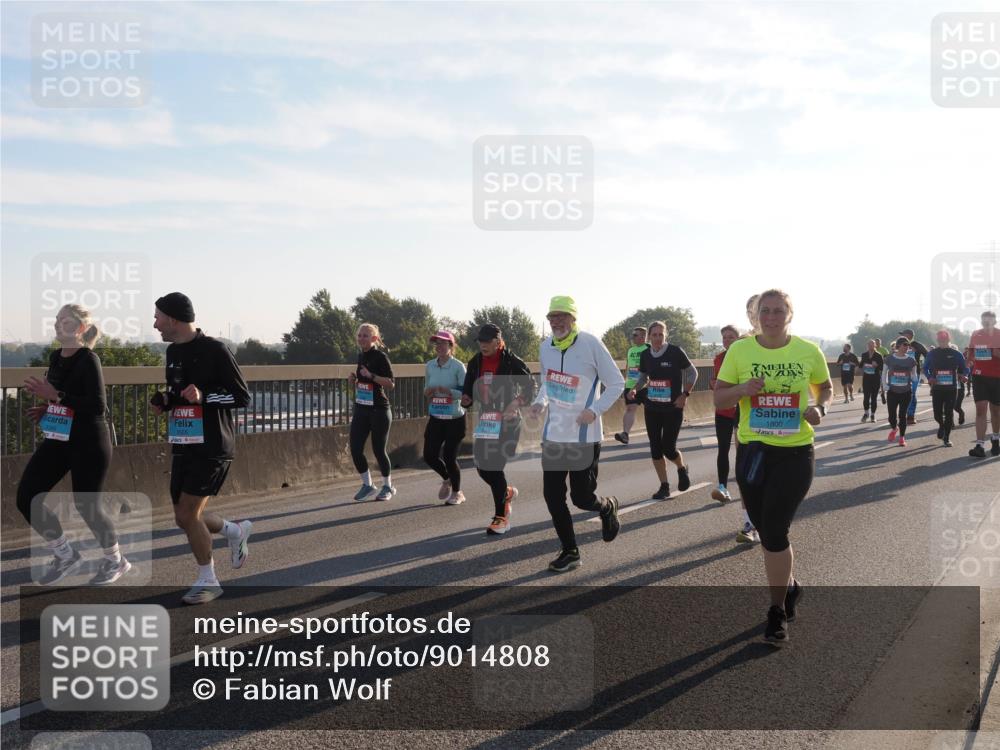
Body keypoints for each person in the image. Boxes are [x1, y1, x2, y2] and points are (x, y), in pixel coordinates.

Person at [715, 289, 832, 645]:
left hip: (795, 452)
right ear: (755, 316)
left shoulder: (808, 351)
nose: (771, 317)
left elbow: (824, 387)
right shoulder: (740, 351)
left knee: (776, 530)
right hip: (753, 450)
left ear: (789, 314)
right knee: (765, 530)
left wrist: (820, 407)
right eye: (764, 311)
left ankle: (777, 610)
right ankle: (791, 586)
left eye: (778, 311)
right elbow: (719, 396)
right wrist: (743, 390)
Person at [17, 305, 128, 586]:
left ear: (79, 328)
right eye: (56, 319)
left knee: (86, 504)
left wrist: (56, 394)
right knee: (27, 496)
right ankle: (66, 555)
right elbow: (63, 399)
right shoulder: (56, 357)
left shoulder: (89, 359)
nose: (57, 324)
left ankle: (115, 560)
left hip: (89, 441)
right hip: (59, 438)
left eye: (64, 320)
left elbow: (96, 405)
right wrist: (47, 406)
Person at [151, 293, 252, 605]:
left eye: (158, 317)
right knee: (184, 517)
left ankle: (209, 580)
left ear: (174, 319)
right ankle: (234, 532)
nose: (155, 324)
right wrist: (167, 400)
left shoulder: (215, 349)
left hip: (212, 445)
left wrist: (204, 397)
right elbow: (180, 393)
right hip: (184, 442)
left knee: (187, 512)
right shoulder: (172, 352)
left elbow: (242, 397)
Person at [530, 296, 623, 573]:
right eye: (551, 317)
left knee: (582, 498)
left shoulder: (590, 343)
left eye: (561, 316)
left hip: (584, 435)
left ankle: (607, 507)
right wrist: (539, 402)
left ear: (573, 318)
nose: (556, 321)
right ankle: (570, 551)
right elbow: (549, 383)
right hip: (555, 434)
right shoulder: (545, 346)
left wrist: (594, 410)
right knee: (553, 496)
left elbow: (616, 383)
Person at [460, 323, 533, 534]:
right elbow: (468, 390)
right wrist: (466, 399)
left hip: (509, 422)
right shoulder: (476, 362)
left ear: (498, 341)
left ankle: (501, 518)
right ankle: (506, 492)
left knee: (494, 466)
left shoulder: (510, 360)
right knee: (482, 467)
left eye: (487, 341)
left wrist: (516, 402)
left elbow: (530, 385)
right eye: (480, 341)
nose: (483, 345)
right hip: (487, 421)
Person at [628, 321, 698, 500]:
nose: (658, 338)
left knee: (668, 448)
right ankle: (664, 486)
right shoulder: (645, 354)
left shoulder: (675, 352)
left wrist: (685, 394)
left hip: (673, 407)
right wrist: (636, 388)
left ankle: (681, 468)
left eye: (661, 334)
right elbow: (644, 376)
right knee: (655, 448)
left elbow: (693, 373)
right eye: (654, 335)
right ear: (649, 337)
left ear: (665, 335)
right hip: (652, 406)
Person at [348, 323, 396, 501]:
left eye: (365, 336)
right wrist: (353, 380)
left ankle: (388, 486)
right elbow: (363, 384)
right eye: (359, 335)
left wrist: (372, 376)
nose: (361, 338)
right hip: (362, 407)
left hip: (379, 410)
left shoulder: (380, 357)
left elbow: (391, 384)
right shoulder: (361, 356)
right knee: (355, 448)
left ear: (374, 338)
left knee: (378, 450)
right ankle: (368, 485)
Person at [422, 330, 467, 504]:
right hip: (436, 416)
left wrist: (450, 392)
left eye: (443, 343)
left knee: (449, 457)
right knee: (429, 455)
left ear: (451, 346)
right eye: (437, 343)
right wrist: (429, 392)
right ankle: (448, 478)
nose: (439, 346)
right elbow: (426, 389)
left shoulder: (458, 366)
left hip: (455, 419)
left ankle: (457, 492)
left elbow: (465, 393)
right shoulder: (430, 365)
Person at [924, 330, 969, 448]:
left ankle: (947, 438)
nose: (942, 341)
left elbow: (965, 368)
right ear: (937, 340)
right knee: (937, 414)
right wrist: (929, 377)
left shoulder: (956, 353)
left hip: (951, 389)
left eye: (944, 339)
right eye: (940, 340)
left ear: (948, 340)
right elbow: (925, 368)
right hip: (937, 388)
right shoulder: (932, 353)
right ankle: (941, 426)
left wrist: (964, 375)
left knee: (949, 413)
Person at [965, 310, 1000, 458]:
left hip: (997, 377)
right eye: (984, 320)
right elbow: (971, 353)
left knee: (996, 411)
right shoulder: (976, 334)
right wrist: (969, 358)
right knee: (980, 410)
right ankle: (979, 445)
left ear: (994, 322)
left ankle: (996, 438)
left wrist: (995, 352)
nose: (986, 323)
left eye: (989, 321)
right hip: (979, 376)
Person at [710, 326, 739, 503]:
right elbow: (717, 381)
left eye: (731, 337)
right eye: (725, 338)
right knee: (723, 449)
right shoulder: (719, 358)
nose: (727, 340)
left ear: (738, 338)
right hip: (723, 410)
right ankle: (723, 487)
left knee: (743, 450)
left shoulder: (745, 356)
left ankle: (747, 487)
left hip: (742, 410)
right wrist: (714, 384)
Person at [882, 337, 920, 447]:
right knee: (891, 417)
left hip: (906, 392)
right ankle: (895, 428)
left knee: (902, 415)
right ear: (898, 346)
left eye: (908, 345)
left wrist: (914, 378)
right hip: (892, 391)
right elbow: (884, 373)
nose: (906, 347)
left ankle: (902, 438)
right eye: (904, 345)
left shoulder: (911, 360)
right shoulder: (889, 358)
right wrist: (884, 385)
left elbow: (914, 375)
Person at [614, 327, 648, 445]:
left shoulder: (649, 348)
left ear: (643, 337)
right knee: (630, 408)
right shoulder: (630, 350)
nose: (633, 337)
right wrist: (626, 381)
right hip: (630, 384)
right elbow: (628, 366)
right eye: (633, 335)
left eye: (635, 335)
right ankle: (625, 434)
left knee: (652, 411)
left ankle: (659, 433)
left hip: (646, 385)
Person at [898, 328, 929, 424]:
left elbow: (928, 355)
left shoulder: (917, 345)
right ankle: (902, 414)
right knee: (901, 394)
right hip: (901, 373)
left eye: (903, 334)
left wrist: (925, 366)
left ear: (910, 336)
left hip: (914, 373)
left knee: (911, 394)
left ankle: (910, 415)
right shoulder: (899, 343)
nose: (902, 336)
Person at [859, 340, 884, 423]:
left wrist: (876, 365)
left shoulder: (878, 355)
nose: (870, 346)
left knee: (873, 398)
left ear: (875, 346)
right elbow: (861, 364)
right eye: (869, 344)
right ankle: (866, 413)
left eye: (872, 345)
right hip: (866, 379)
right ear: (867, 346)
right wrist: (859, 367)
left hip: (875, 379)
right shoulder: (864, 355)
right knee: (866, 397)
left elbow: (882, 368)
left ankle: (873, 415)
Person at [874, 338, 890, 404]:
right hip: (873, 369)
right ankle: (873, 397)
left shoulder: (884, 350)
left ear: (880, 343)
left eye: (878, 342)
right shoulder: (873, 350)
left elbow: (887, 358)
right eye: (876, 343)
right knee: (874, 383)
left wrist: (881, 361)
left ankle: (882, 394)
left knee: (881, 382)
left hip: (882, 368)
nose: (877, 344)